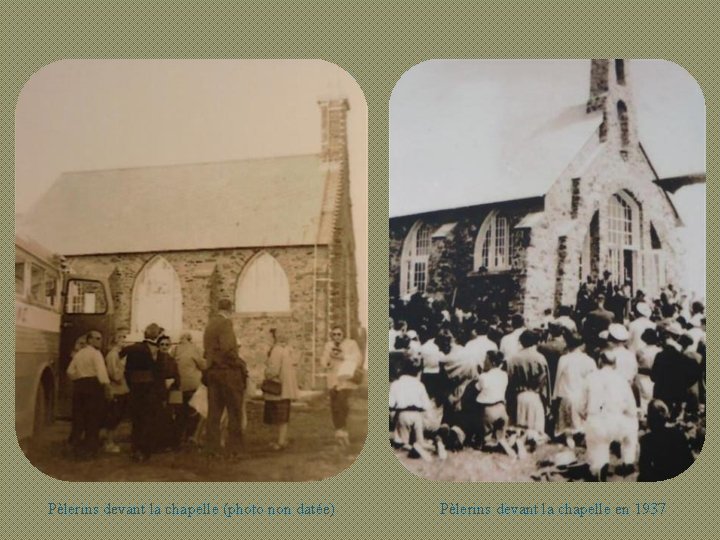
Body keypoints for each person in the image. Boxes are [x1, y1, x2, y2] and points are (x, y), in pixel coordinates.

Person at [580, 350, 639, 481]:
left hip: (596, 421)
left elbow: (581, 406)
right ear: (615, 364)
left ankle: (598, 469)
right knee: (631, 425)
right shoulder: (621, 379)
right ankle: (628, 461)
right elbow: (631, 407)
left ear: (600, 361)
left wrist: (586, 418)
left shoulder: (590, 377)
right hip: (616, 422)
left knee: (597, 448)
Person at [203, 298, 248, 457]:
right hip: (227, 373)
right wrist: (240, 364)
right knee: (235, 412)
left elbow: (207, 351)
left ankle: (212, 449)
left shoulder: (210, 325)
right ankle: (235, 449)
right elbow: (228, 349)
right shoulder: (226, 324)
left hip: (212, 372)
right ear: (230, 310)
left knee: (214, 413)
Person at [66, 330, 111, 458]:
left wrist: (78, 379)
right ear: (89, 340)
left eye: (100, 338)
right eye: (96, 338)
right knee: (93, 418)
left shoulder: (79, 354)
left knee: (79, 416)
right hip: (93, 387)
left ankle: (75, 445)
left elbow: (70, 371)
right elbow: (101, 373)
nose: (99, 341)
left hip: (80, 387)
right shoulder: (96, 354)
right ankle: (90, 448)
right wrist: (107, 387)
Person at [123, 323, 164, 462]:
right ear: (157, 335)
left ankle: (135, 449)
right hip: (150, 389)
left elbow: (126, 369)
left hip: (135, 387)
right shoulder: (156, 351)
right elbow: (159, 373)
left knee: (136, 420)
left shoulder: (133, 348)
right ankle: (145, 450)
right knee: (148, 420)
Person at [553, 332, 596, 448]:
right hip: (583, 396)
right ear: (582, 345)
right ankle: (583, 437)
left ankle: (569, 438)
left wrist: (555, 395)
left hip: (567, 394)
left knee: (567, 422)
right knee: (583, 420)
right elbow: (594, 380)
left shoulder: (564, 359)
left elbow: (558, 378)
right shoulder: (589, 360)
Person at [322, 325, 364, 447]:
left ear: (343, 334)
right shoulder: (328, 345)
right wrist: (328, 362)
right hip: (333, 379)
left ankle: (343, 431)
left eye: (339, 334)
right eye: (334, 334)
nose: (336, 337)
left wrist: (343, 357)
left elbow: (358, 359)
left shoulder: (351, 344)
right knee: (334, 406)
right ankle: (339, 432)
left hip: (346, 379)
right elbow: (324, 360)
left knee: (342, 404)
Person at [507, 330, 549, 444]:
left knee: (518, 428)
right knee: (535, 429)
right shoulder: (540, 358)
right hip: (535, 396)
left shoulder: (514, 358)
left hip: (519, 395)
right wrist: (546, 400)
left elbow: (509, 381)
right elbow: (545, 382)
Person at [638, 399, 694, 481]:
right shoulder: (678, 434)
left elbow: (644, 470)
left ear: (650, 419)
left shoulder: (647, 440)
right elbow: (689, 462)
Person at [263, 327, 300, 450]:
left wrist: (266, 373)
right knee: (283, 414)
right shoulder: (289, 350)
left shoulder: (276, 350)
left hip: (277, 386)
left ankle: (278, 441)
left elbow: (273, 370)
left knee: (276, 415)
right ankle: (281, 440)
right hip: (287, 386)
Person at [172, 332, 206, 443]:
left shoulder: (175, 349)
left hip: (178, 385)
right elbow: (203, 365)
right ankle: (190, 435)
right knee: (193, 410)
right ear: (190, 339)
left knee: (179, 411)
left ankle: (177, 435)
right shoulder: (194, 349)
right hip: (192, 384)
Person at [103, 328, 130, 453]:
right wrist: (123, 366)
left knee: (117, 416)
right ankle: (109, 442)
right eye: (121, 337)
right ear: (115, 340)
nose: (124, 340)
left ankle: (110, 441)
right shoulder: (113, 355)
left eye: (125, 337)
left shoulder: (117, 355)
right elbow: (115, 375)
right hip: (116, 390)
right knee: (113, 417)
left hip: (120, 390)